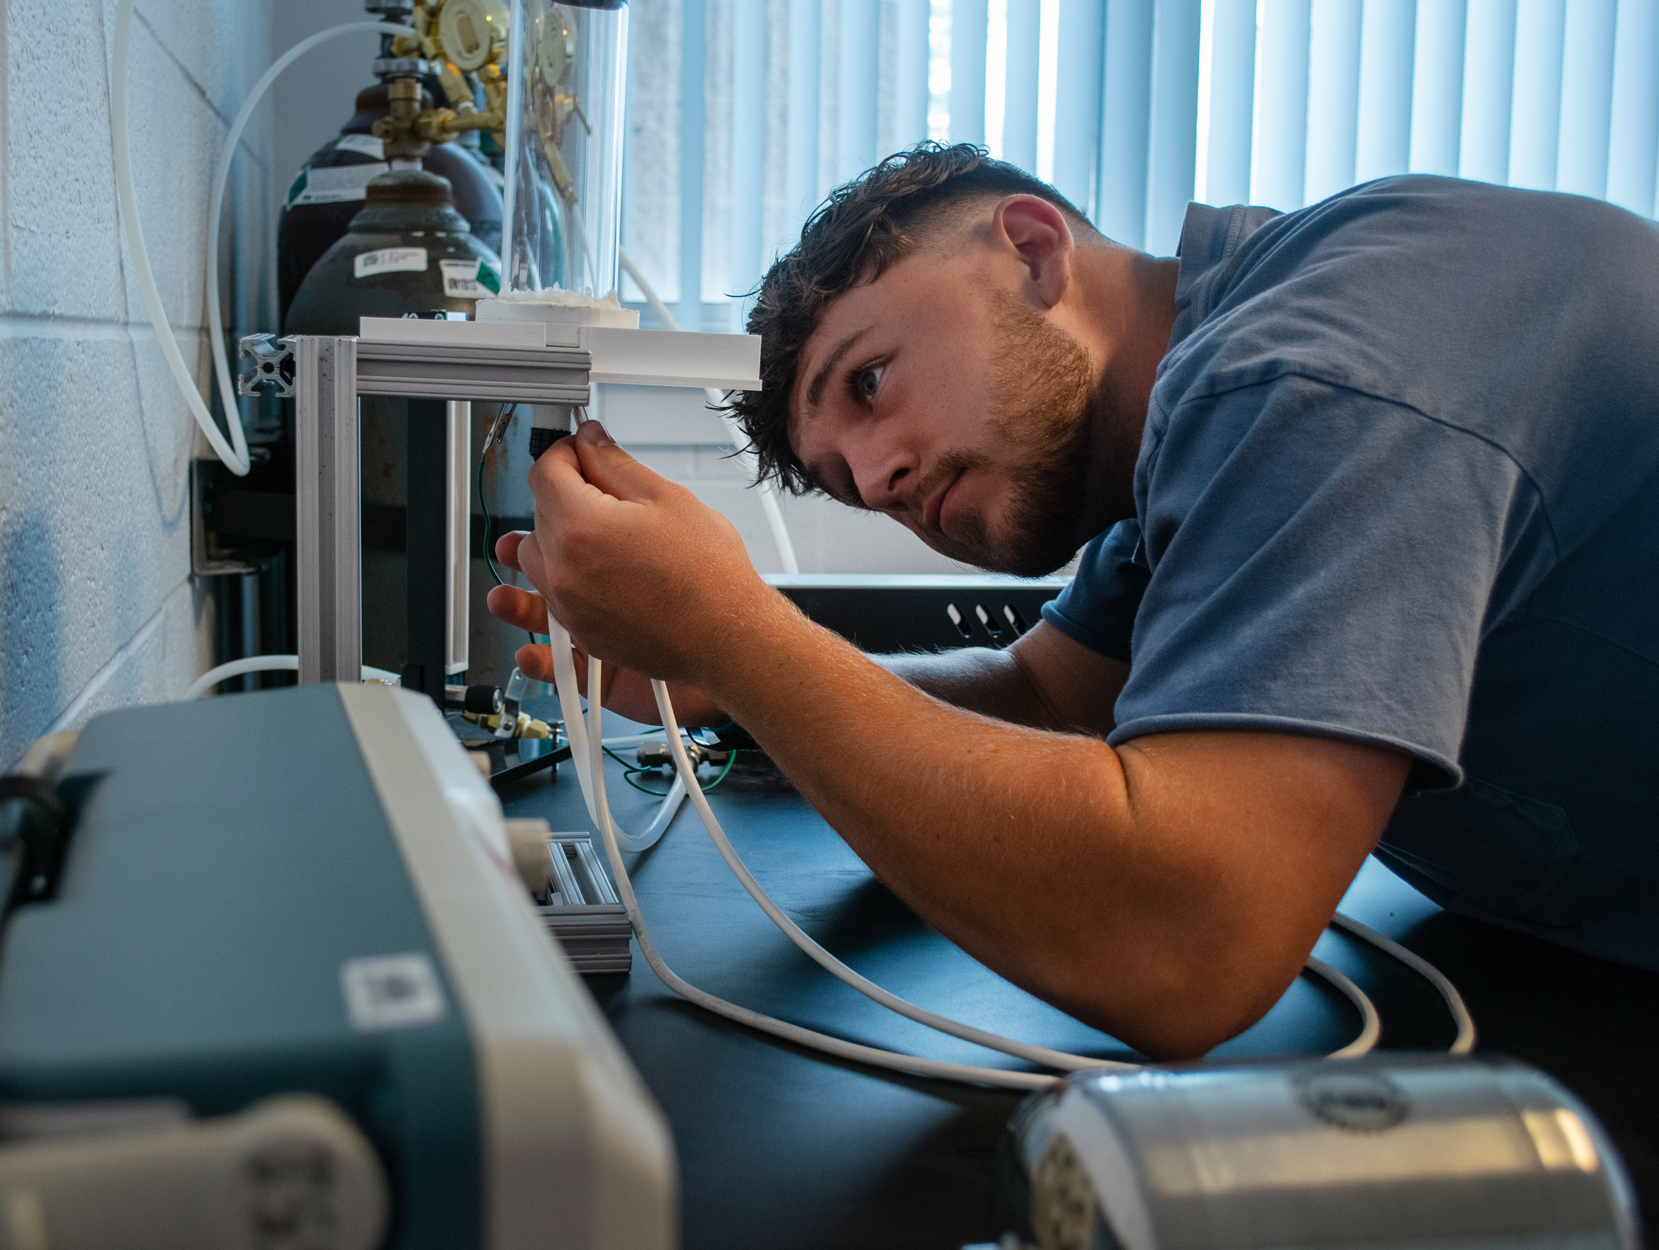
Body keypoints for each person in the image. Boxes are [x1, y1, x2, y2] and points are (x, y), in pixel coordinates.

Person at [486, 143, 1659, 1060]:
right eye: (849, 479)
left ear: (1033, 249)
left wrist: (735, 633)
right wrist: (726, 684)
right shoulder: (1186, 443)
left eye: (872, 380)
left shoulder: (1308, 371)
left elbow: (1185, 939)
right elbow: (1044, 694)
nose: (882, 476)